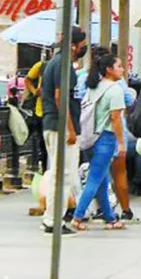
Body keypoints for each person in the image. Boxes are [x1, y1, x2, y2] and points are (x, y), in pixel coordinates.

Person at [75, 46, 138, 223]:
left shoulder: (90, 84)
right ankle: (77, 217)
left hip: (90, 136)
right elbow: (116, 117)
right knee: (96, 179)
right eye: (119, 66)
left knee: (102, 180)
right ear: (109, 69)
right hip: (106, 138)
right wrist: (121, 143)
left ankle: (109, 218)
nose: (123, 69)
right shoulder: (116, 88)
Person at [41, 27, 89, 236]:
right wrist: (70, 129)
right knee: (64, 175)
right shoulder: (64, 64)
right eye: (82, 44)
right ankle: (54, 220)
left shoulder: (55, 61)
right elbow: (61, 97)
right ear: (74, 45)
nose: (84, 48)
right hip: (61, 128)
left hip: (51, 124)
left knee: (56, 174)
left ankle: (51, 218)